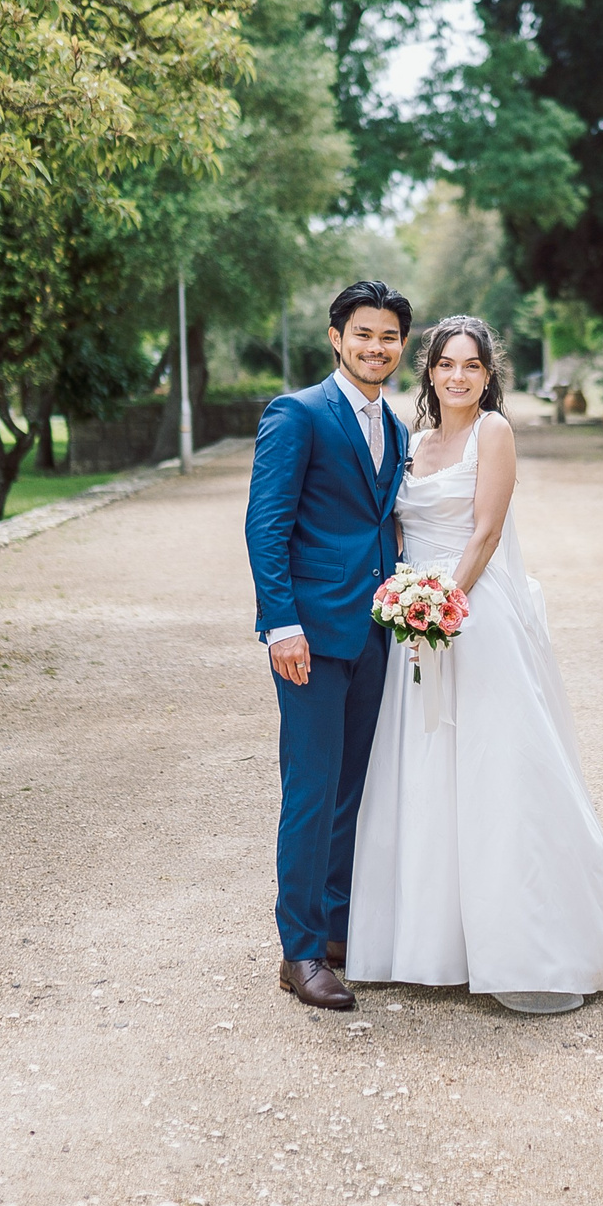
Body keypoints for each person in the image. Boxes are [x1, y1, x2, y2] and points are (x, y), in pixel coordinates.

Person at [344, 315, 603, 1014]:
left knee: (494, 771)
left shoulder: (495, 433)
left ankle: (527, 942)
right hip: (413, 620)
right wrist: (408, 603)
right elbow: (396, 526)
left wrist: (441, 604)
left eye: (471, 365)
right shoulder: (414, 440)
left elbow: (486, 529)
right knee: (420, 773)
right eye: (445, 363)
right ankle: (427, 941)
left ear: (489, 376)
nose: (457, 375)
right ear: (428, 371)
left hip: (470, 612)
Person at [243, 281, 413, 1011]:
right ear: (336, 337)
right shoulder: (298, 413)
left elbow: (384, 525)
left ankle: (338, 926)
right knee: (310, 790)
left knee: (354, 788)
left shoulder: (397, 427)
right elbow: (265, 525)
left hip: (376, 631)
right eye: (364, 333)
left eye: (389, 337)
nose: (377, 347)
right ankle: (299, 950)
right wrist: (282, 624)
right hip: (309, 636)